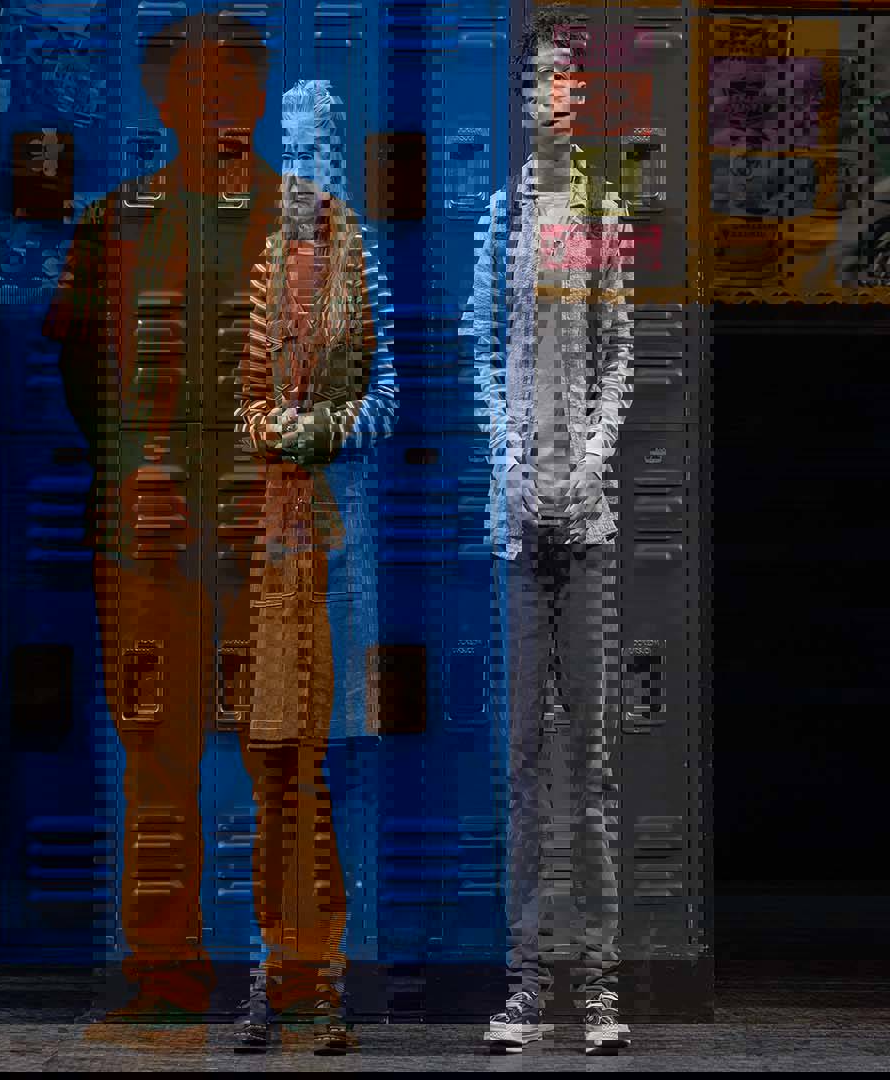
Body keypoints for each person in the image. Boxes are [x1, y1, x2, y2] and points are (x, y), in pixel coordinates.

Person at [44, 14, 387, 1054]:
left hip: (272, 545)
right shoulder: (115, 224)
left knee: (287, 764)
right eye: (197, 85)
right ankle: (164, 972)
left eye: (238, 83)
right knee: (156, 763)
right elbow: (75, 367)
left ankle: (304, 979)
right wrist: (131, 463)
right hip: (147, 548)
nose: (219, 104)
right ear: (162, 101)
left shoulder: (320, 226)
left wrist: (289, 446)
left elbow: (359, 372)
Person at [465, 9, 636, 1057]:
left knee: (600, 759)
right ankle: (528, 987)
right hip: (517, 516)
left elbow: (623, 355)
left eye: (568, 84)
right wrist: (505, 454)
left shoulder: (607, 213)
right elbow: (477, 344)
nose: (554, 98)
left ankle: (602, 990)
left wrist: (595, 454)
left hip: (591, 516)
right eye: (539, 84)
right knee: (525, 756)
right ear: (523, 101)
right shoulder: (498, 216)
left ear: (582, 102)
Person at [225, 78, 393, 1053]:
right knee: (267, 765)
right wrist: (268, 425)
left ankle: (319, 979)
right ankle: (269, 970)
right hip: (267, 548)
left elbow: (389, 397)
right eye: (291, 138)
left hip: (332, 550)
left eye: (316, 137)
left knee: (317, 770)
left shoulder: (355, 261)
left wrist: (321, 427)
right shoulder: (268, 261)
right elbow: (245, 387)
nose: (301, 156)